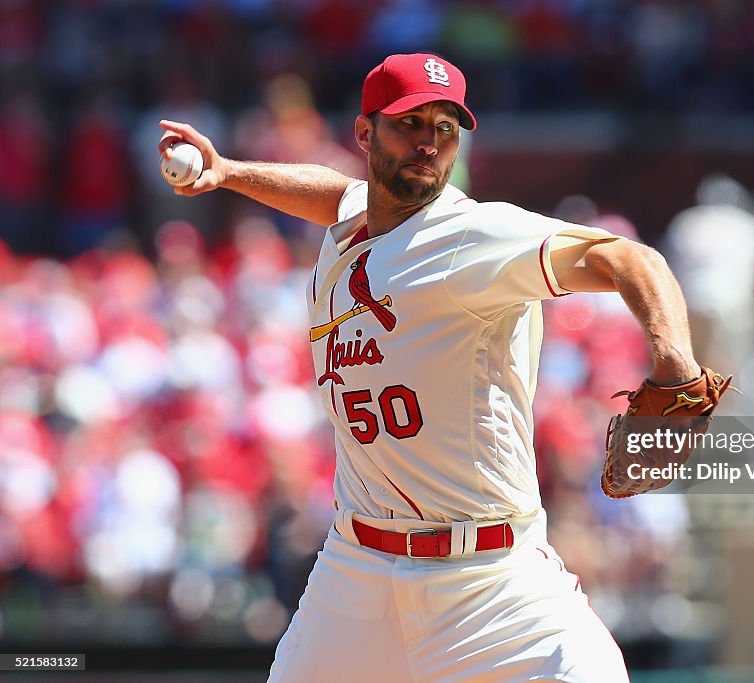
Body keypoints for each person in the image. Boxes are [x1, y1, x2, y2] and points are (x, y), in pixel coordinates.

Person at [159, 52, 704, 683]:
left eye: (444, 127)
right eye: (408, 123)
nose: (428, 143)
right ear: (364, 135)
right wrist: (227, 172)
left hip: (490, 578)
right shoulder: (354, 223)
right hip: (357, 568)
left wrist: (677, 366)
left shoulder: (475, 236)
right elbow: (335, 193)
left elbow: (630, 259)